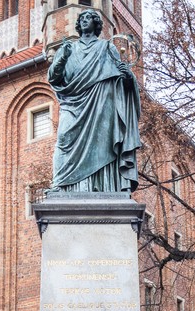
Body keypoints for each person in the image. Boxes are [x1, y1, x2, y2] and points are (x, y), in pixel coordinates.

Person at [47, 9, 141, 193]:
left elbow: (121, 80)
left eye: (89, 17)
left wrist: (128, 76)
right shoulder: (69, 48)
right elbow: (54, 78)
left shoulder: (107, 47)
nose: (84, 20)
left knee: (102, 145)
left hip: (102, 102)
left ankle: (104, 186)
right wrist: (61, 58)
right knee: (64, 138)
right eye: (82, 18)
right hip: (73, 103)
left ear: (97, 23)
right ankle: (61, 183)